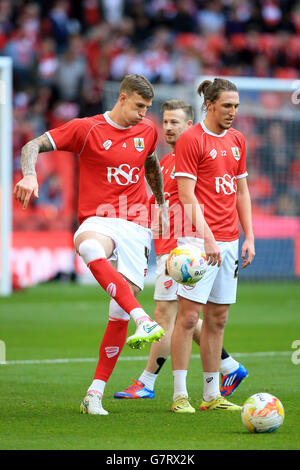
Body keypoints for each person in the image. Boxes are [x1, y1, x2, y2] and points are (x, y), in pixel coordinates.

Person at [13, 74, 168, 416]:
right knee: (87, 246)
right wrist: (29, 173)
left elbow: (151, 163)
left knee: (116, 313)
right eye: (140, 106)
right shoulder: (87, 129)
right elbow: (31, 146)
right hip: (98, 218)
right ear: (123, 98)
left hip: (136, 225)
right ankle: (143, 318)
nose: (144, 114)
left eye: (148, 108)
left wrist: (160, 203)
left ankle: (93, 393)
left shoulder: (148, 131)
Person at [114, 99, 248, 401]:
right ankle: (229, 365)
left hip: (183, 251)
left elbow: (204, 201)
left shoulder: (191, 159)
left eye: (175, 122)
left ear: (190, 126)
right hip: (168, 247)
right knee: (179, 316)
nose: (168, 128)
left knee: (167, 314)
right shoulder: (165, 163)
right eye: (165, 122)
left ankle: (149, 382)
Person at [170, 78, 255, 413]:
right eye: (227, 106)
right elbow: (186, 195)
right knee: (188, 318)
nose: (233, 112)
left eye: (236, 106)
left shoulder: (237, 140)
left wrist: (248, 235)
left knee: (218, 319)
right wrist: (206, 237)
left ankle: (210, 395)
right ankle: (179, 395)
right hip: (195, 241)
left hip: (229, 241)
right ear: (210, 105)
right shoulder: (191, 140)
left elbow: (241, 191)